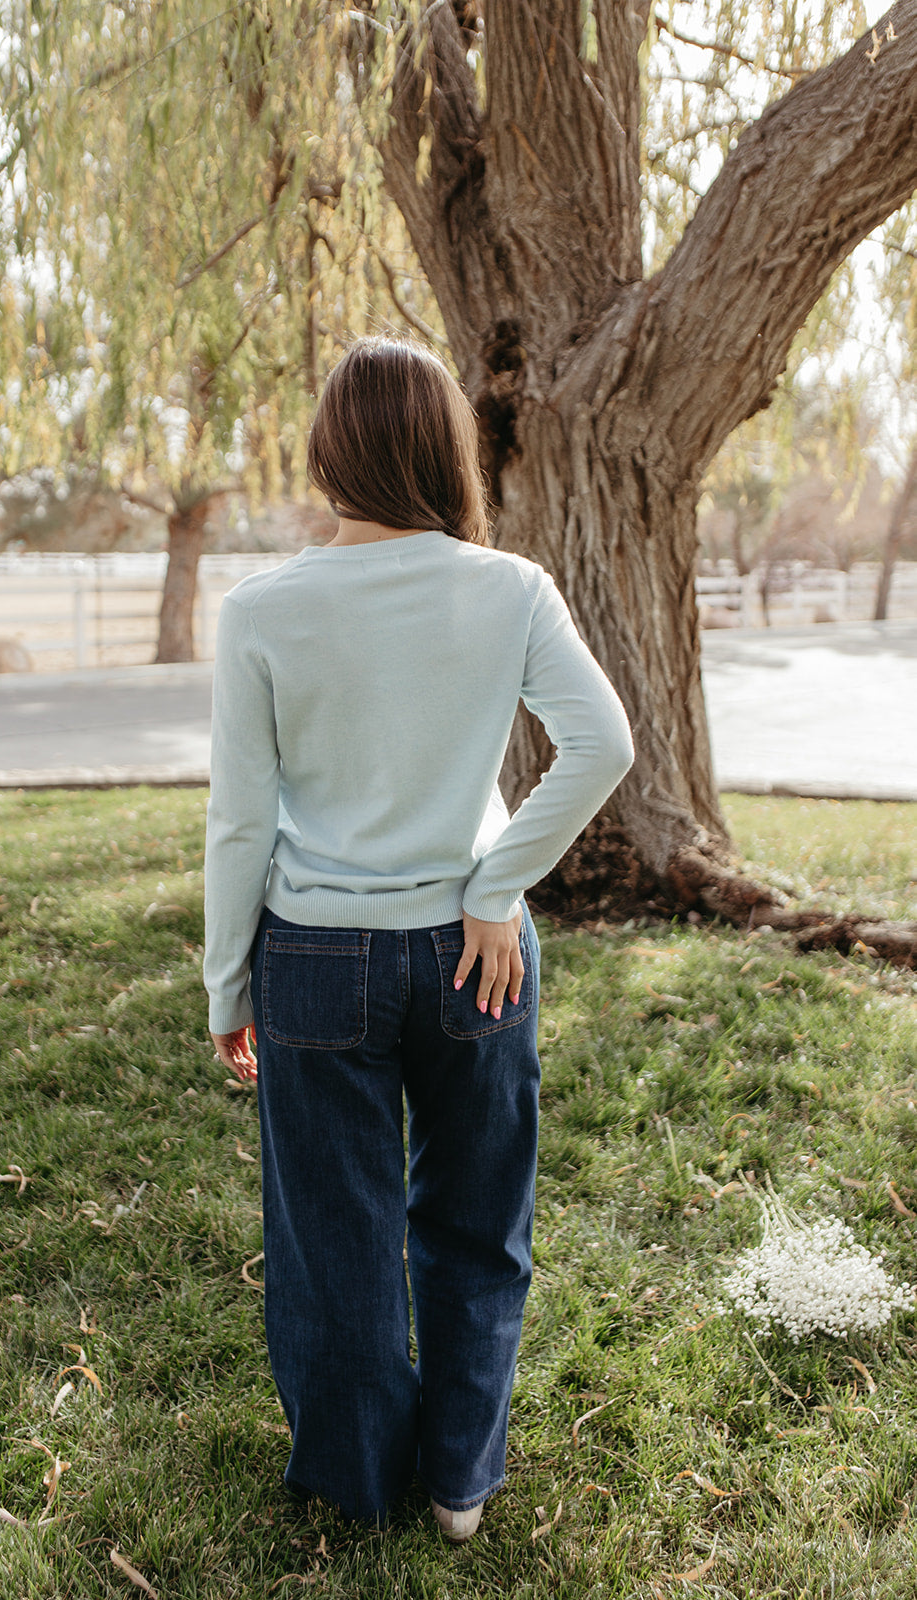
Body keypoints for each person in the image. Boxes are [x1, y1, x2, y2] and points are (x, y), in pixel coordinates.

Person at [203, 336, 633, 1538]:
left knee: (332, 1235)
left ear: (326, 453)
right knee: (475, 1217)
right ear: (447, 450)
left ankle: (355, 1480)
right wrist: (495, 887)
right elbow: (602, 744)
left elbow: (240, 821)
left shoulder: (261, 609)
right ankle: (457, 1484)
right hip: (473, 954)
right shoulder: (510, 588)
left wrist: (226, 982)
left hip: (314, 956)